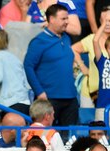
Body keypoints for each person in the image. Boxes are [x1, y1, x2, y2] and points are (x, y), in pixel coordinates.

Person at [24, 4, 78, 141]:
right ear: (51, 19)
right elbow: (28, 66)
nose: (67, 21)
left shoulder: (66, 38)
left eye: (67, 18)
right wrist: (39, 91)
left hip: (70, 97)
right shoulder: (39, 41)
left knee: (69, 140)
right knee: (44, 140)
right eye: (63, 18)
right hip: (49, 98)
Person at [72, 7, 110, 108]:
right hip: (91, 92)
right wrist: (82, 66)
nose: (107, 24)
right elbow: (73, 49)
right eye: (104, 20)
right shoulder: (92, 39)